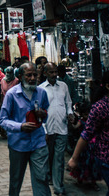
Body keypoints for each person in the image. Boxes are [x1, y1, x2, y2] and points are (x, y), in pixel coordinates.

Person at [68, 70, 109, 196]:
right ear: (108, 86)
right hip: (108, 158)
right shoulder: (100, 107)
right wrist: (74, 159)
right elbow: (87, 134)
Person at [0, 62, 50, 196]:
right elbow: (2, 120)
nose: (32, 78)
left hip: (38, 143)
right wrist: (20, 126)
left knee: (42, 178)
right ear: (21, 76)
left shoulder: (42, 93)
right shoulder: (11, 95)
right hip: (18, 144)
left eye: (35, 75)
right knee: (16, 180)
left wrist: (43, 114)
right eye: (28, 75)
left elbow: (45, 115)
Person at [39, 63, 73, 196]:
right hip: (48, 128)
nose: (54, 75)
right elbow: (39, 112)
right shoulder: (41, 89)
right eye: (51, 72)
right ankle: (49, 178)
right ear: (45, 73)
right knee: (48, 155)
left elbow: (68, 103)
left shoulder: (63, 86)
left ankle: (58, 186)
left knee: (59, 158)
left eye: (55, 72)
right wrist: (44, 130)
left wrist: (70, 113)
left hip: (62, 127)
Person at [69, 102, 101, 191]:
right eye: (85, 114)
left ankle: (93, 181)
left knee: (93, 164)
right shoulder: (81, 121)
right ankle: (80, 179)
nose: (87, 116)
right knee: (82, 163)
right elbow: (75, 127)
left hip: (93, 146)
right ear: (82, 114)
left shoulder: (93, 121)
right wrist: (72, 122)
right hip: (84, 146)